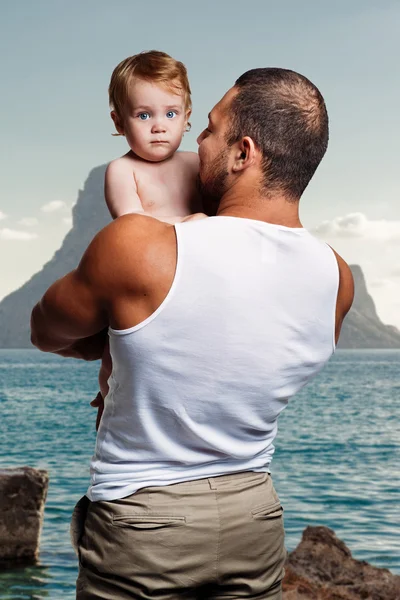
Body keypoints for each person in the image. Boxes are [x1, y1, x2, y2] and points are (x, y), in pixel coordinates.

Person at [31, 67, 354, 599]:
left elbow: (45, 329)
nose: (193, 142)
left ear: (242, 153)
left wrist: (118, 340)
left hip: (145, 520)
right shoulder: (336, 277)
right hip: (256, 515)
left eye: (208, 129)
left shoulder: (141, 246)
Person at [97, 50, 204, 405]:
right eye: (144, 115)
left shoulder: (196, 163)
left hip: (194, 275)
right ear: (119, 122)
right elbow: (132, 225)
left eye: (170, 113)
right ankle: (109, 402)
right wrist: (189, 223)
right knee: (119, 358)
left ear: (186, 117)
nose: (159, 125)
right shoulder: (122, 169)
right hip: (144, 276)